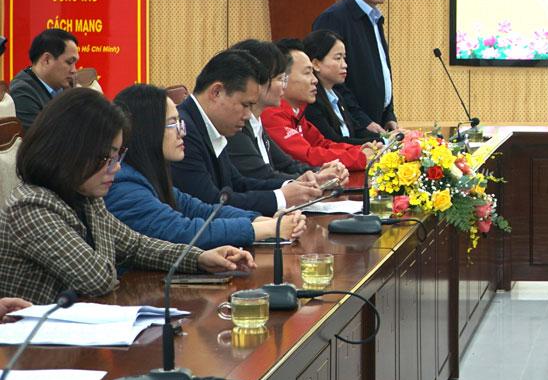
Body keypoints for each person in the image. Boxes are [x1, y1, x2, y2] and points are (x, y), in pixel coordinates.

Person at [0, 89, 254, 304]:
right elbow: (97, 279)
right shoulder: (32, 206)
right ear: (70, 153)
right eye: (106, 158)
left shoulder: (82, 196)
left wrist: (198, 258)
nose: (117, 167)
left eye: (117, 156)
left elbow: (135, 246)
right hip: (34, 343)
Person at [106, 84, 307, 248]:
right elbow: (184, 232)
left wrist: (265, 221)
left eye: (180, 123)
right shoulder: (123, 185)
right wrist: (270, 228)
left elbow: (202, 210)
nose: (182, 132)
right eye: (173, 123)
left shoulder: (149, 176)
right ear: (147, 130)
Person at [172, 50, 323, 217]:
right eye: (245, 105)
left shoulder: (208, 123)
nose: (248, 115)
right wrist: (280, 198)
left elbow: (238, 184)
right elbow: (210, 203)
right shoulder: (182, 131)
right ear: (216, 92)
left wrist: (294, 185)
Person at [226, 39, 347, 185]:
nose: (284, 85)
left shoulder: (257, 122)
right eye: (280, 79)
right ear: (255, 82)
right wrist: (314, 179)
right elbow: (262, 177)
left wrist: (321, 173)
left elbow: (288, 165)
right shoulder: (235, 127)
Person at [312, 0, 397, 131]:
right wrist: (363, 121)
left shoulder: (374, 18)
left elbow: (382, 73)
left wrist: (389, 115)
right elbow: (329, 79)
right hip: (351, 127)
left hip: (379, 124)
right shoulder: (334, 18)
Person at [262, 40, 379, 171]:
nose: (315, 80)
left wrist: (359, 150)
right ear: (282, 78)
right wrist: (360, 157)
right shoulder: (271, 115)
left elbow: (321, 144)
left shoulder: (297, 112)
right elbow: (307, 156)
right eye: (307, 73)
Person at [303, 29, 377, 145]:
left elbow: (357, 131)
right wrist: (380, 141)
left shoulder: (337, 96)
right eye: (338, 58)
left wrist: (386, 138)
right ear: (316, 64)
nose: (345, 65)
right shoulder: (312, 101)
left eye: (344, 58)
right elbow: (334, 141)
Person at [9, 28, 78, 130]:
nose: (74, 70)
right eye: (69, 62)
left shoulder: (67, 88)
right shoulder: (21, 93)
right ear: (46, 60)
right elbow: (43, 138)